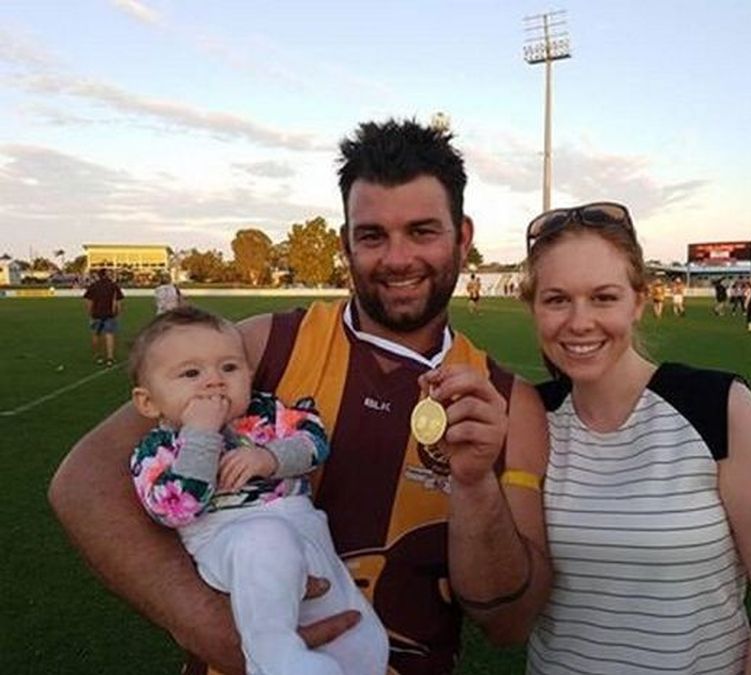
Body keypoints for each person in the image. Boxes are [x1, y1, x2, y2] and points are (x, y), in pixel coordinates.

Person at [48, 119, 551, 675]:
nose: (397, 258)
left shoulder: (509, 402)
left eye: (422, 231)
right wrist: (211, 624)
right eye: (372, 236)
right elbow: (84, 481)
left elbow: (509, 623)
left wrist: (475, 486)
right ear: (345, 244)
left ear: (463, 236)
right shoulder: (262, 346)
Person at [519, 202, 751, 674]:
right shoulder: (528, 417)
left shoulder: (719, 407)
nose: (579, 321)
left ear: (638, 301)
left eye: (603, 297)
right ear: (533, 307)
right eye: (556, 300)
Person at [128, 306, 387, 675]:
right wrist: (201, 434)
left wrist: (271, 457)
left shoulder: (266, 413)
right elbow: (176, 509)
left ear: (249, 375)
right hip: (228, 539)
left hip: (305, 532)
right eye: (191, 373)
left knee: (363, 640)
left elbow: (315, 439)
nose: (214, 382)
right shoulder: (157, 449)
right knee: (265, 541)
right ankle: (275, 660)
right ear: (148, 401)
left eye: (229, 368)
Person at [83, 267, 124, 365]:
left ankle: (98, 356)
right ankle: (110, 357)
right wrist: (118, 313)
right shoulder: (113, 286)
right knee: (109, 335)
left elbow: (88, 301)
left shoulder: (93, 286)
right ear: (106, 275)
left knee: (96, 335)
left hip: (96, 314)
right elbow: (118, 302)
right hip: (110, 314)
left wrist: (90, 313)